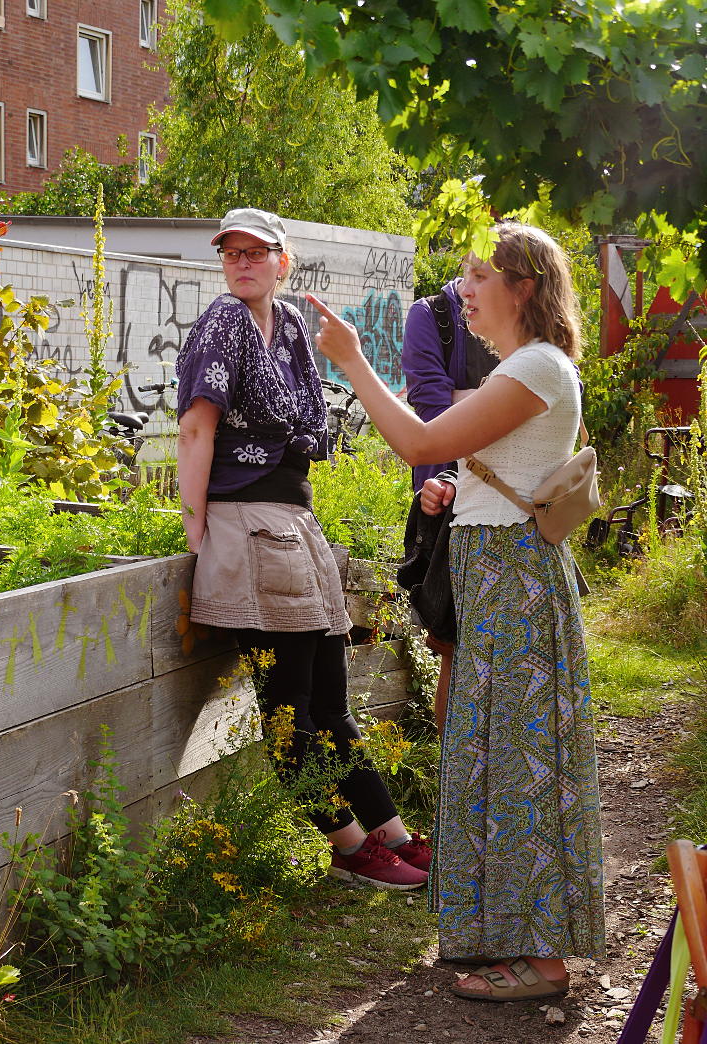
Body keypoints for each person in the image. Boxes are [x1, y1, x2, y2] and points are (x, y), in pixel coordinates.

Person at [307, 221, 606, 1002]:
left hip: (514, 589)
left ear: (524, 287)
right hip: (498, 583)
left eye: (478, 276)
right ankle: (504, 936)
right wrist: (458, 488)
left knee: (522, 762)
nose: (462, 291)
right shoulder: (521, 368)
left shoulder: (535, 366)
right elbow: (486, 463)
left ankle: (541, 962)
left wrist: (353, 362)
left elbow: (418, 440)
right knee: (497, 756)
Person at [176, 206, 431, 892]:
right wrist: (196, 535)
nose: (242, 262)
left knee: (333, 705)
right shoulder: (223, 325)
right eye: (231, 252)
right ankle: (350, 848)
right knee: (291, 711)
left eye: (256, 252)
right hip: (250, 528)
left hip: (296, 525)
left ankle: (394, 836)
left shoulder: (287, 324)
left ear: (283, 261)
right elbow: (197, 432)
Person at [401, 278, 497, 734]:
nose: (479, 282)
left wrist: (470, 401)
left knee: (512, 651)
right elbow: (432, 410)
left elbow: (561, 385)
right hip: (446, 500)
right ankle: (453, 777)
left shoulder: (524, 313)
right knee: (454, 648)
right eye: (475, 269)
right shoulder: (430, 315)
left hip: (515, 498)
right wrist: (500, 403)